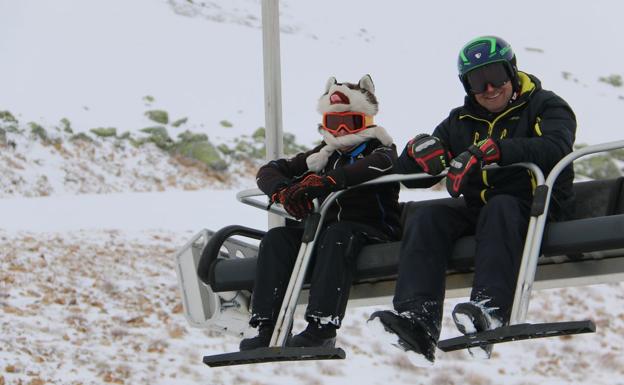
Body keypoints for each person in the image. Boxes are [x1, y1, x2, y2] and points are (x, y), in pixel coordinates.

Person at [369, 36, 576, 362]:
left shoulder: (546, 105)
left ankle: (489, 309)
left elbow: (556, 146)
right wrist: (416, 152)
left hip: (534, 207)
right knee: (428, 216)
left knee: (501, 206)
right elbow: (422, 175)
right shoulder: (460, 121)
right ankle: (418, 320)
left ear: (512, 70)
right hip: (481, 209)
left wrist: (498, 149)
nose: (489, 88)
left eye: (496, 76)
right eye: (477, 81)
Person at [240, 75, 401, 350]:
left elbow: (370, 168)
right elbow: (269, 171)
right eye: (332, 123)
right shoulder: (320, 156)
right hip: (323, 233)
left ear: (366, 121)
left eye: (349, 123)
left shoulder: (382, 152)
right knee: (277, 238)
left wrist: (326, 182)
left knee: (337, 234)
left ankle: (322, 327)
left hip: (371, 229)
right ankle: (268, 327)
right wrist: (281, 191)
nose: (340, 131)